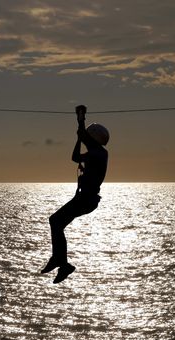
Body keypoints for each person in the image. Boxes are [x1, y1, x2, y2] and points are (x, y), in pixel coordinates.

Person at [41, 105, 109, 283]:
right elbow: (81, 142)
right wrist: (80, 119)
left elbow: (75, 156)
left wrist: (79, 137)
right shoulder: (99, 152)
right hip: (85, 199)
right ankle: (61, 263)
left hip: (86, 199)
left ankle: (61, 262)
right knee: (56, 223)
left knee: (55, 221)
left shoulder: (97, 154)